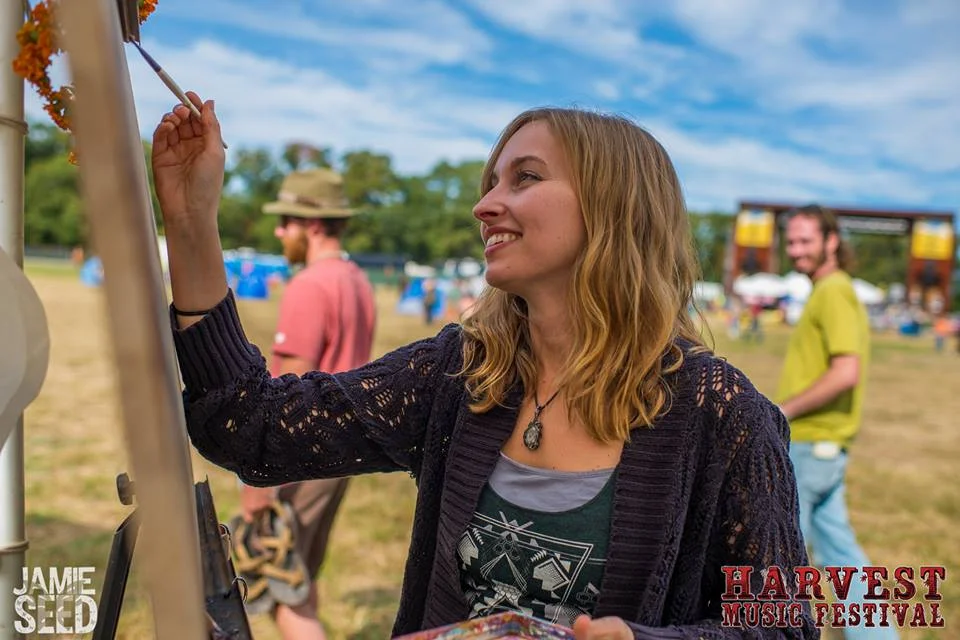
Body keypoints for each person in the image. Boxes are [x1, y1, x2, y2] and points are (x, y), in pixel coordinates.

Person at [153, 93, 816, 639]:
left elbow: (785, 627)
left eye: (525, 178)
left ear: (615, 207)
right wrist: (190, 222)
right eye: (490, 183)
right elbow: (250, 426)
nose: (484, 206)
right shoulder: (461, 373)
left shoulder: (723, 414)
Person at [229, 168, 376, 638]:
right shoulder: (356, 279)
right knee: (301, 576)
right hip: (341, 455)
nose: (278, 231)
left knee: (280, 590)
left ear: (313, 225)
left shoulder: (310, 285)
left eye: (286, 221)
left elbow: (286, 393)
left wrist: (258, 481)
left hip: (302, 458)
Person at [776, 204, 895, 640]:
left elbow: (846, 372)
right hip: (822, 447)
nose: (796, 250)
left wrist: (781, 411)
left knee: (778, 561)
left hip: (811, 444)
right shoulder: (828, 291)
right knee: (841, 553)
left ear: (831, 242)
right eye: (791, 241)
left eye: (806, 240)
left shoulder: (833, 291)